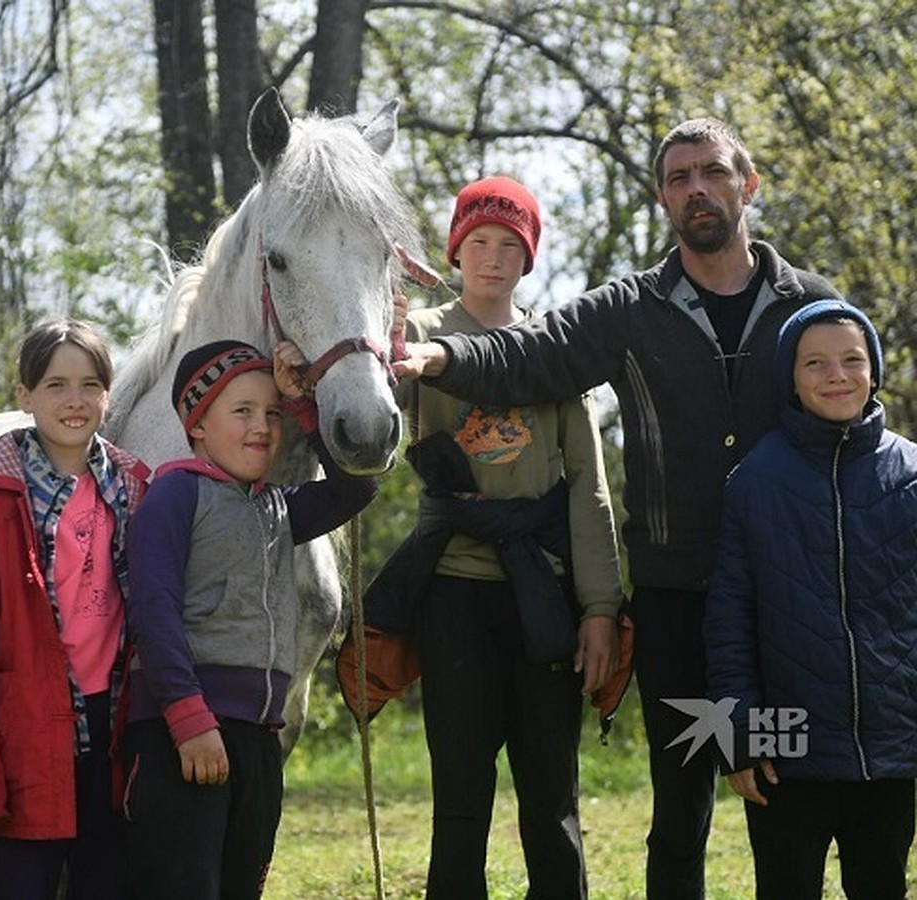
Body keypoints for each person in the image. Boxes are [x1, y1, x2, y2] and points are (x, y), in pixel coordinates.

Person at [394, 118, 841, 898]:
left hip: (786, 607)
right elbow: (531, 353)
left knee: (785, 797)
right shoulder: (630, 308)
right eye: (677, 178)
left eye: (711, 172)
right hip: (677, 605)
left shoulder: (809, 307)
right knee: (681, 806)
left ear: (749, 183)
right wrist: (441, 354)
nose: (696, 189)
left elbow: (851, 424)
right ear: (664, 199)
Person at [375, 176, 624, 898]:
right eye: (477, 242)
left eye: (508, 245)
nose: (492, 257)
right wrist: (378, 330)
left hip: (543, 592)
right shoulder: (417, 334)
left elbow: (589, 484)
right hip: (454, 592)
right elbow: (373, 408)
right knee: (459, 794)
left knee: (552, 799)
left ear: (529, 256)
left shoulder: (555, 349)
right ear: (455, 252)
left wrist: (601, 607)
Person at [119, 339, 377, 899]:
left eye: (272, 414)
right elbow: (154, 610)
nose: (262, 426)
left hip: (258, 740)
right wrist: (188, 721)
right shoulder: (173, 494)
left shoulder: (279, 508)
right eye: (241, 412)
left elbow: (358, 486)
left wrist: (306, 404)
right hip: (181, 738)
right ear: (197, 426)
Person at [705, 299, 917, 899]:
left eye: (852, 360)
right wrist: (741, 734)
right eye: (815, 363)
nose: (836, 376)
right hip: (784, 741)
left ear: (874, 369)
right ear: (791, 379)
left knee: (881, 886)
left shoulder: (911, 473)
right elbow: (730, 620)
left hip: (889, 743)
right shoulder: (755, 480)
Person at [0, 318, 152, 900]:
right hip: (22, 744)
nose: (74, 401)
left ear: (109, 395)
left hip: (113, 742)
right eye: (55, 385)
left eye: (90, 385)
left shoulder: (137, 490)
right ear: (25, 396)